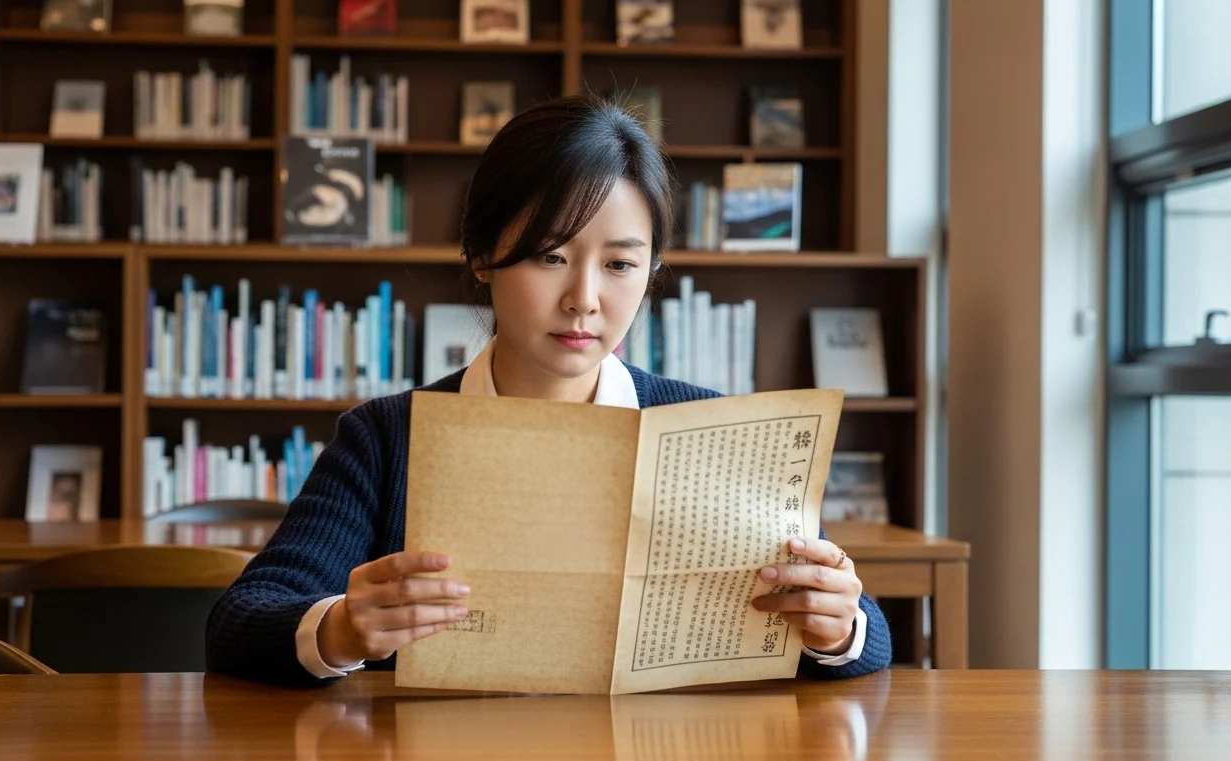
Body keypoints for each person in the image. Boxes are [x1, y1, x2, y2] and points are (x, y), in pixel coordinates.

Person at [205, 93, 893, 686]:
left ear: (652, 270)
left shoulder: (711, 430)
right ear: (481, 254)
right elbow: (238, 623)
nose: (584, 300)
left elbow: (868, 638)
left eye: (621, 263)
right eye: (550, 256)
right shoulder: (388, 436)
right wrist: (341, 632)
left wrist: (838, 627)